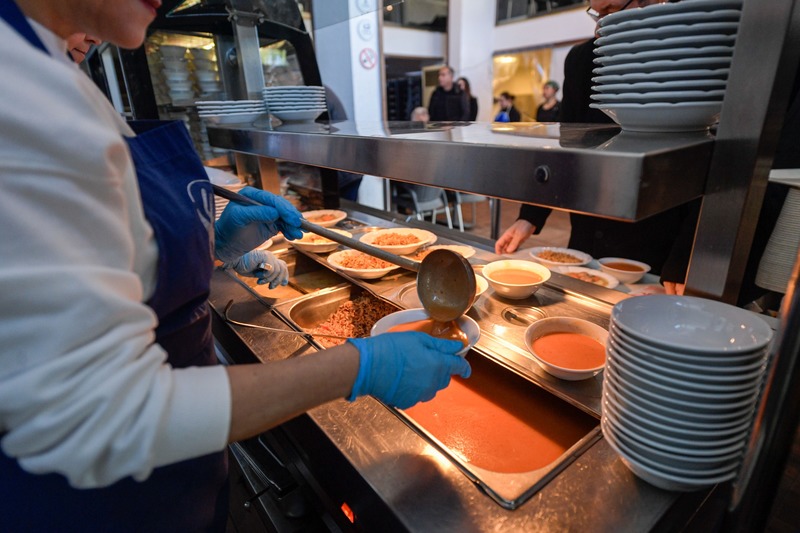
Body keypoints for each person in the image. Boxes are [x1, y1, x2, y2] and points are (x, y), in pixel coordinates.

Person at [0, 2, 471, 530]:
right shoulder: (15, 93)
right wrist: (361, 367)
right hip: (100, 507)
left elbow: (98, 260)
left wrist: (212, 251)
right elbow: (103, 416)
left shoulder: (56, 76)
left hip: (180, 475)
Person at [495, 0, 692, 285]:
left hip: (659, 239)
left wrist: (686, 258)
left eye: (611, 11)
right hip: (588, 231)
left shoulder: (687, 49)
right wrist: (530, 215)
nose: (600, 27)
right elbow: (567, 144)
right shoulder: (580, 60)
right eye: (596, 14)